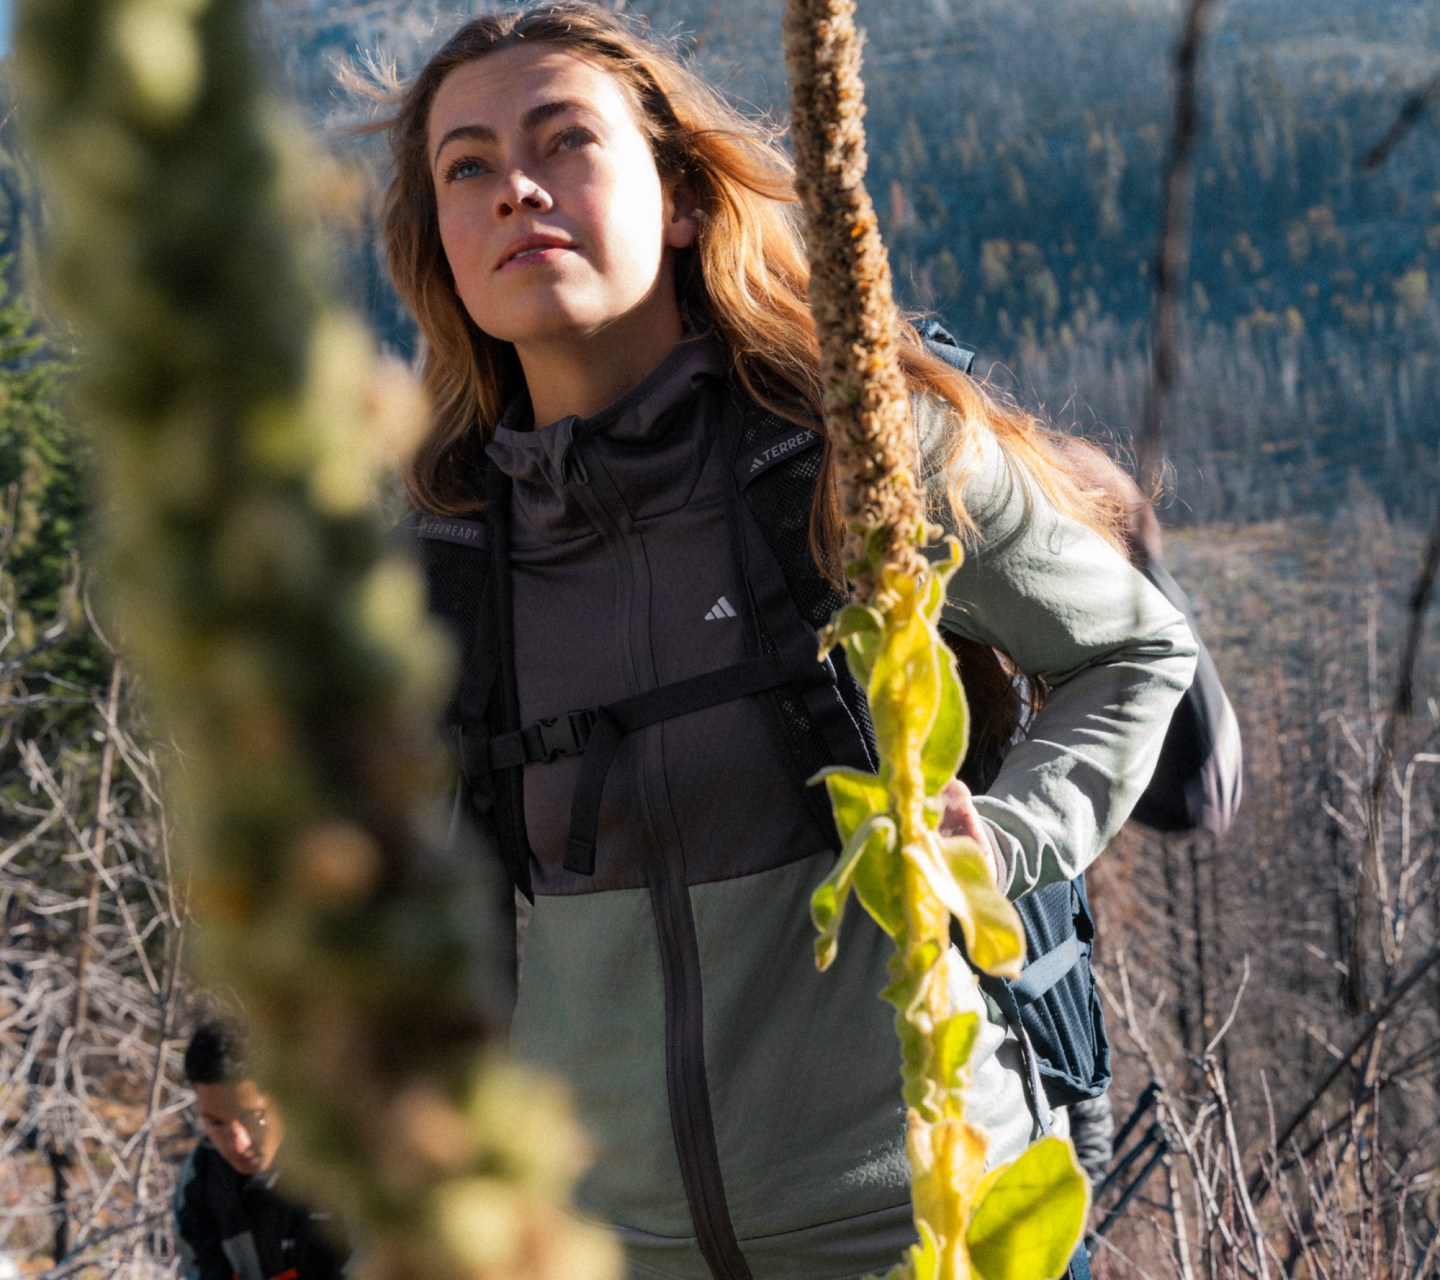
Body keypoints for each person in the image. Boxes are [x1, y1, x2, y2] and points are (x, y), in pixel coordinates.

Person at [378, 5, 1198, 1277]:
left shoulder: (854, 452)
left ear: (687, 197)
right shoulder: (439, 558)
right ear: (436, 240)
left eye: (565, 141)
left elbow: (1133, 649)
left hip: (925, 1227)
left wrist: (1016, 835)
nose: (516, 189)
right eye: (467, 166)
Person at [173, 1016, 347, 1280]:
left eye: (252, 1118)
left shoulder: (348, 1166)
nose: (236, 1143)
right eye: (216, 1124)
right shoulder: (201, 1177)